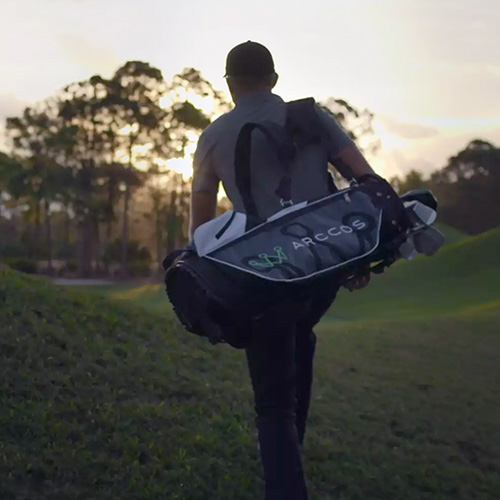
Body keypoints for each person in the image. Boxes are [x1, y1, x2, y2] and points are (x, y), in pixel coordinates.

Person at [189, 41, 376, 500]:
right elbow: (366, 180)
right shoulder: (312, 118)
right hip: (321, 270)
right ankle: (293, 448)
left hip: (262, 275)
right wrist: (357, 250)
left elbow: (200, 229)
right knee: (299, 338)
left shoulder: (213, 136)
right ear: (274, 80)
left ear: (229, 85)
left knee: (273, 400)